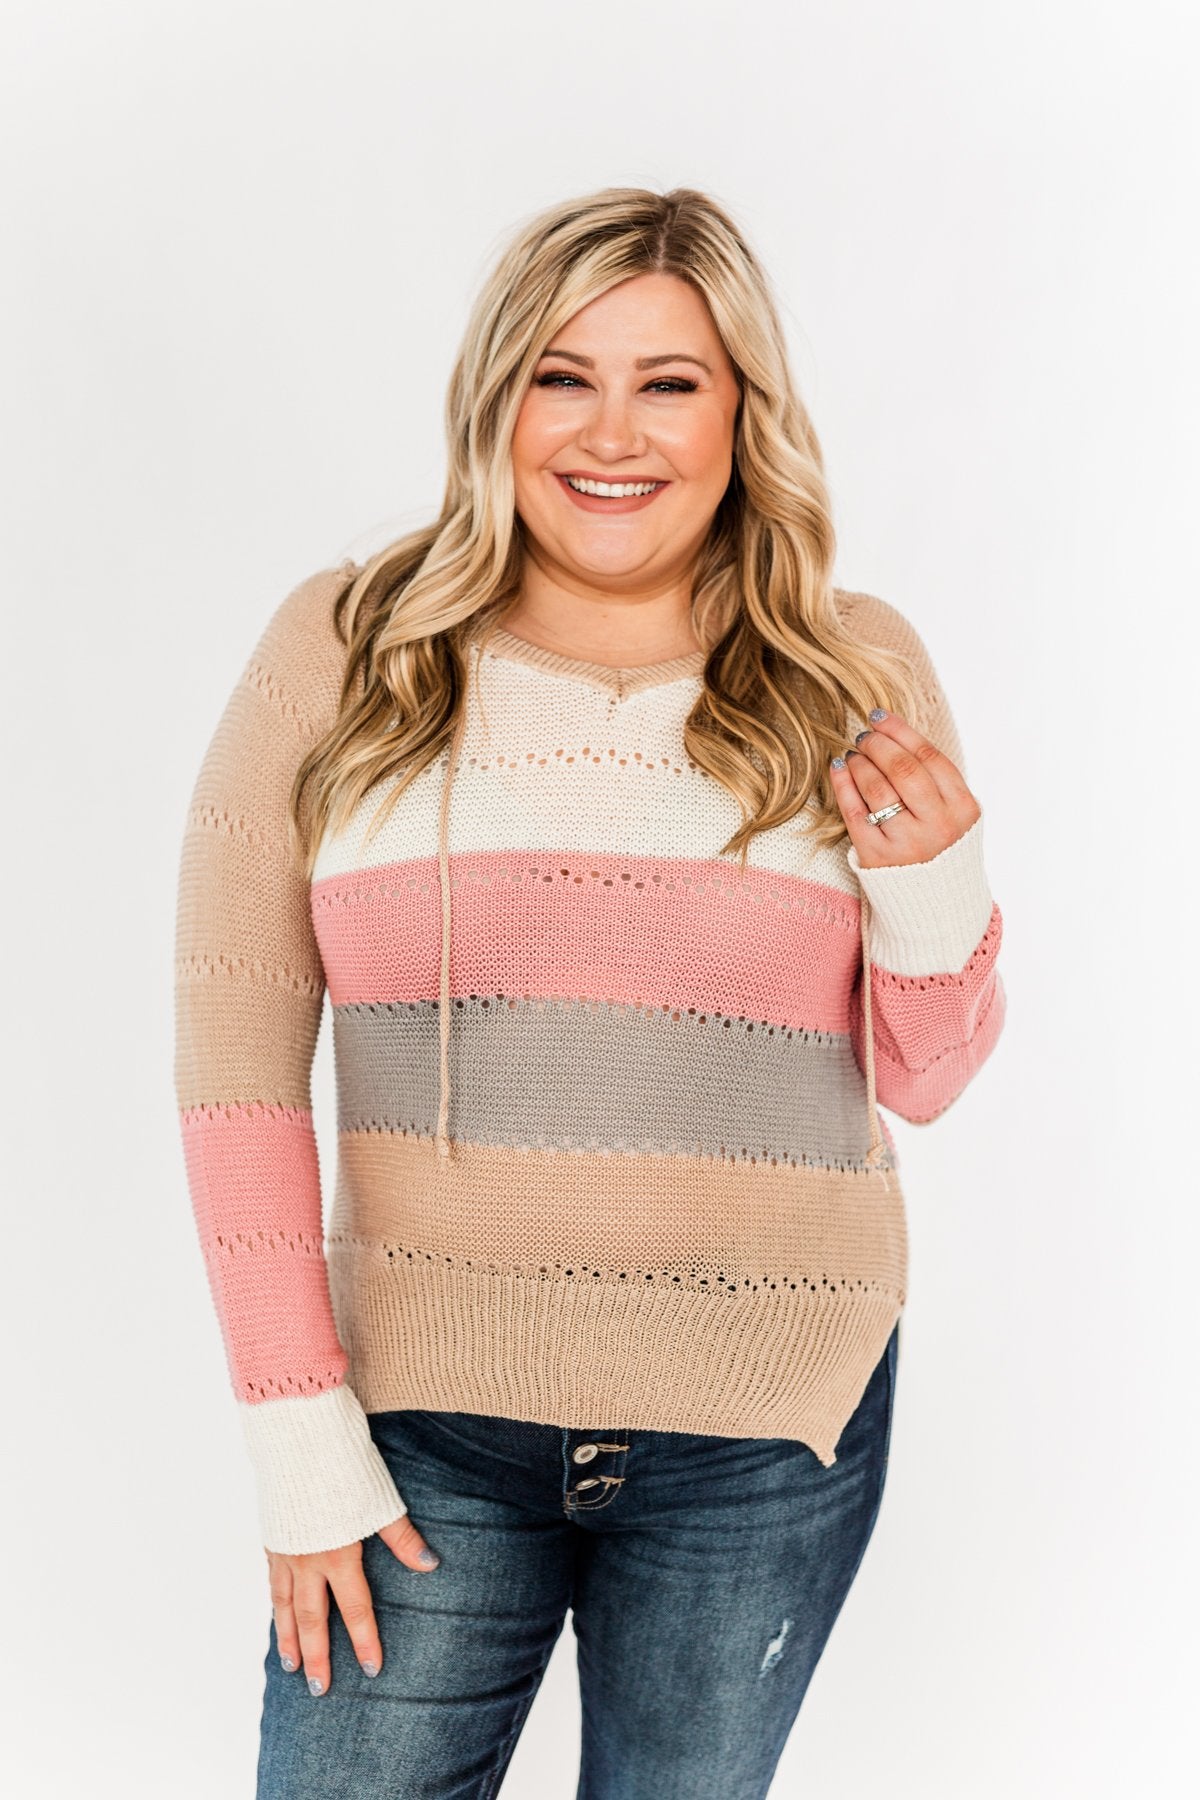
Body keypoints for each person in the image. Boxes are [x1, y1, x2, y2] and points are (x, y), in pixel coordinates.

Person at [174, 184, 1005, 1798]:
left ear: (742, 410)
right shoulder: (350, 650)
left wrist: (935, 886)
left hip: (765, 1428)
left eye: (669, 382)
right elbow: (235, 1072)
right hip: (421, 1433)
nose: (611, 432)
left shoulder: (852, 669)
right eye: (564, 376)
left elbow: (926, 1075)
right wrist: (295, 1437)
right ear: (498, 397)